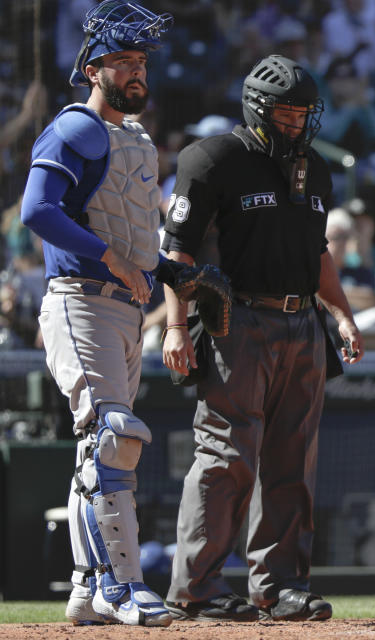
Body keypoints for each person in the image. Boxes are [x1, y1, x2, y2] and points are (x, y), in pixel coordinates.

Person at [160, 54, 363, 623]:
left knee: (293, 461)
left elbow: (317, 251)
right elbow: (177, 252)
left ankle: (280, 587)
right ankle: (196, 589)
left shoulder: (315, 168)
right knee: (227, 457)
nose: (296, 123)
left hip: (304, 324)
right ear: (257, 109)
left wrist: (342, 315)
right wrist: (176, 326)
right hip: (235, 322)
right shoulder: (213, 158)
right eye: (286, 112)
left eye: (303, 113)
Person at [18, 1, 180, 626]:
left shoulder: (135, 138)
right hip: (81, 299)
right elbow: (37, 210)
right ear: (92, 68)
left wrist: (173, 273)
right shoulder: (74, 129)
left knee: (100, 446)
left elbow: (136, 239)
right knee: (114, 437)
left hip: (125, 307)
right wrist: (113, 258)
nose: (136, 71)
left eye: (141, 61)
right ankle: (122, 585)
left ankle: (87, 587)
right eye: (123, 60)